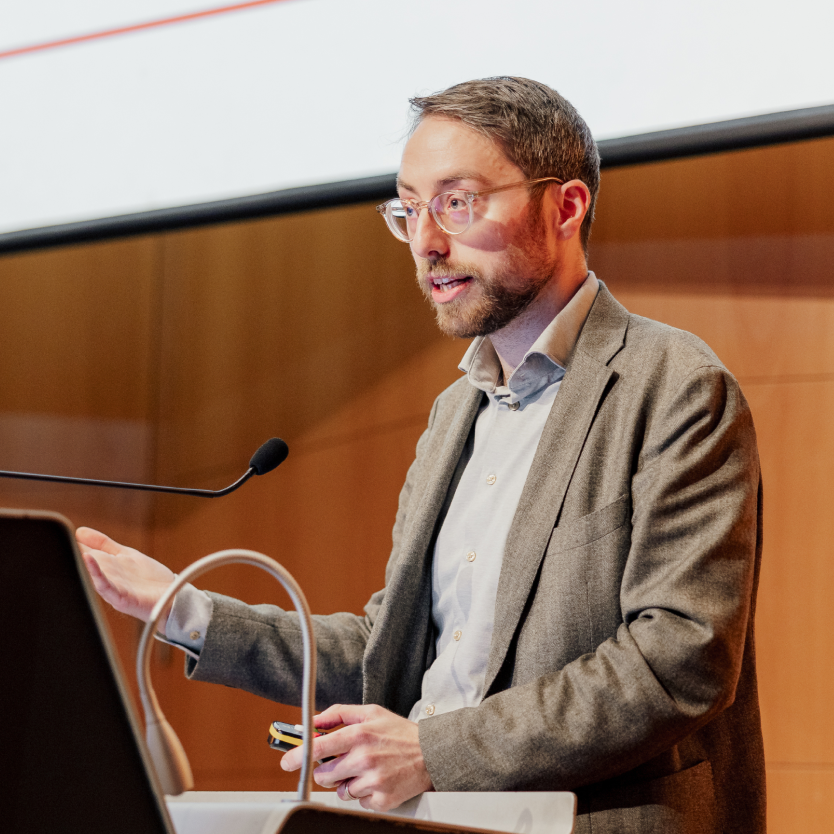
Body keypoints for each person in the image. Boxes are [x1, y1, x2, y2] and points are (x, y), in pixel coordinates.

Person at [78, 77, 765, 834]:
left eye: (458, 202)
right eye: (409, 208)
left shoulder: (673, 387)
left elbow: (678, 659)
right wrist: (188, 610)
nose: (428, 241)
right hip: (433, 820)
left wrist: (433, 749)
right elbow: (389, 651)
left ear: (565, 207)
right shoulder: (452, 414)